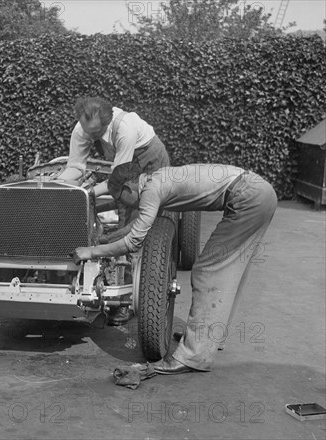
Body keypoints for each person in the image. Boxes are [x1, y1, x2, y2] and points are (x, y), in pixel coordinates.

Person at [73, 162, 277, 375]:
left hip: (248, 197)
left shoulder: (151, 190)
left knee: (207, 271)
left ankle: (193, 356)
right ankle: (208, 337)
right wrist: (105, 239)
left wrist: (92, 253)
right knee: (232, 268)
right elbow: (138, 228)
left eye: (118, 199)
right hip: (258, 191)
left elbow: (134, 242)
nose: (121, 204)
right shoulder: (157, 180)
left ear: (128, 189)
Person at [57, 97, 171, 325]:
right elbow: (76, 168)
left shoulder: (125, 128)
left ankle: (124, 300)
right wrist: (60, 187)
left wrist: (89, 193)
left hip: (150, 161)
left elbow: (117, 181)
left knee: (132, 230)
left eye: (95, 132)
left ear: (106, 123)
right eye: (86, 131)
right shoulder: (83, 129)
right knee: (97, 207)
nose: (89, 137)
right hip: (124, 171)